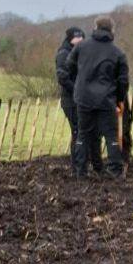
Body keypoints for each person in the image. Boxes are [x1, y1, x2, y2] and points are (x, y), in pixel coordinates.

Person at [65, 16, 129, 178]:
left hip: (84, 98)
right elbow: (123, 81)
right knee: (111, 135)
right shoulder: (118, 53)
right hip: (106, 100)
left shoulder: (81, 47)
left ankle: (81, 171)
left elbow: (69, 65)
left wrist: (80, 81)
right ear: (111, 30)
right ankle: (115, 170)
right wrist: (119, 99)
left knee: (83, 134)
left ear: (95, 27)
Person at [54, 27, 84, 171]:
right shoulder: (63, 53)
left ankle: (81, 162)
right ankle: (76, 165)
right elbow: (62, 77)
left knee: (81, 130)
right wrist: (77, 90)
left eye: (81, 37)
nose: (79, 40)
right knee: (77, 130)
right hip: (70, 99)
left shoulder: (80, 52)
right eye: (77, 37)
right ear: (70, 38)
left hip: (80, 98)